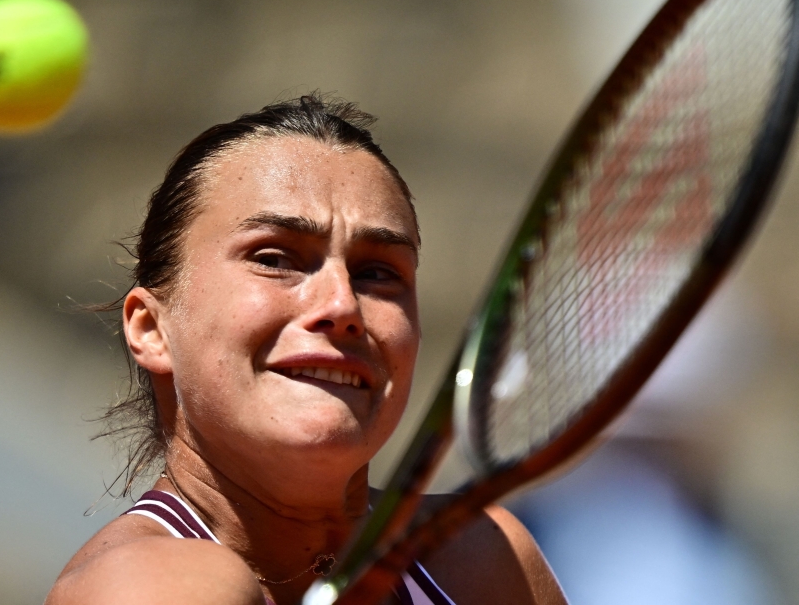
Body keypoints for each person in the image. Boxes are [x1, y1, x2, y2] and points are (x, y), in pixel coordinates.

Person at [46, 94, 568, 605]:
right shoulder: (150, 585)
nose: (342, 304)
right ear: (150, 329)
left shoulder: (483, 558)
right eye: (275, 258)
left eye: (377, 273)